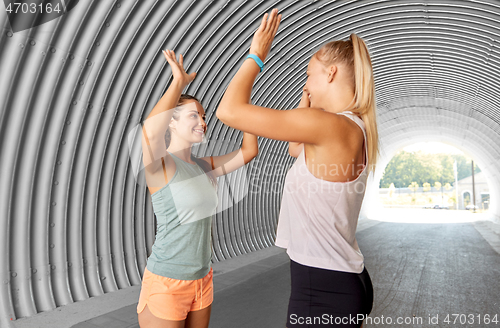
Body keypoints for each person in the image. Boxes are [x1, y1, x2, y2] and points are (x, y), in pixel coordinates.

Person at [216, 8, 379, 328]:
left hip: (322, 288)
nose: (306, 82)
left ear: (330, 73)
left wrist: (256, 56)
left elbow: (229, 110)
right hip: (342, 281)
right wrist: (308, 99)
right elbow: (295, 150)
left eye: (308, 74)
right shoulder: (353, 127)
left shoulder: (329, 125)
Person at [137, 49, 258, 328]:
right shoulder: (161, 165)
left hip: (202, 280)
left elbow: (248, 151)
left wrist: (245, 104)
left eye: (203, 117)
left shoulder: (204, 166)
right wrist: (177, 82)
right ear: (172, 121)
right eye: (194, 116)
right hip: (167, 282)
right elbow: (150, 132)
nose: (203, 123)